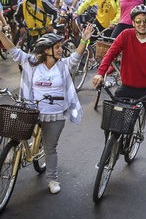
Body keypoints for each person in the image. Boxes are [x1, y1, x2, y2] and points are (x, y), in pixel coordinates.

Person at [0, 24, 94, 194]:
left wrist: (84, 40)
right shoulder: (31, 63)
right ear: (46, 50)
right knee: (14, 131)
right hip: (31, 112)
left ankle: (52, 179)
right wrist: (0, 34)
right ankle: (14, 151)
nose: (60, 50)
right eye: (57, 47)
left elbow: (76, 56)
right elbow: (13, 50)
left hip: (55, 116)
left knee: (50, 148)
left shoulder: (63, 65)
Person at [92, 5, 146, 176]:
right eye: (138, 21)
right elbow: (110, 54)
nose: (142, 24)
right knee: (111, 117)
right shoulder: (125, 35)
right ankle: (110, 150)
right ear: (133, 22)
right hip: (127, 86)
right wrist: (100, 74)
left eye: (145, 21)